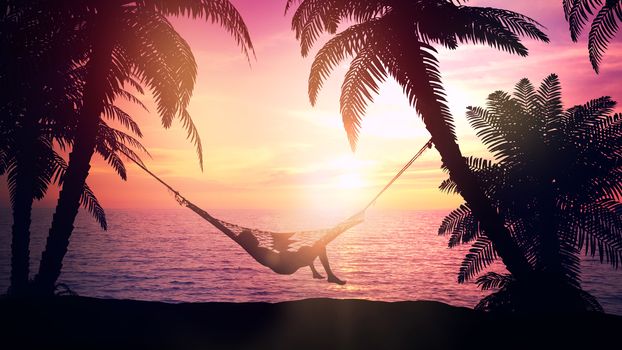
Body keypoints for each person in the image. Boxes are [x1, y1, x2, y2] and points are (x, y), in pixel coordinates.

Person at [236, 230, 346, 285]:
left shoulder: (257, 250)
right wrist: (285, 253)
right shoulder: (259, 252)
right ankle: (330, 276)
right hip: (286, 266)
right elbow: (273, 261)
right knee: (319, 247)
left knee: (305, 249)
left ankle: (315, 272)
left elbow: (275, 258)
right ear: (249, 240)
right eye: (252, 237)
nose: (255, 238)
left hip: (287, 263)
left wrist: (285, 253)